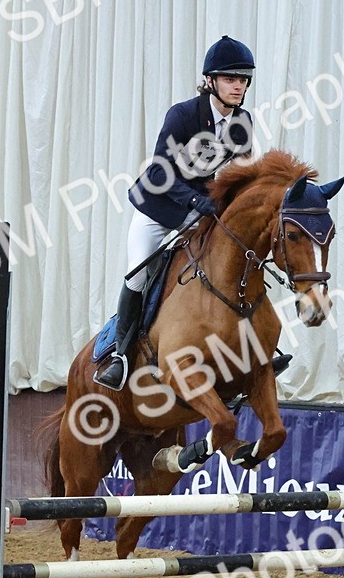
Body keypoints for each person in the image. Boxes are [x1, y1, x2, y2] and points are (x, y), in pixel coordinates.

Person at [93, 35, 260, 391]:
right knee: (138, 275)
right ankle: (121, 355)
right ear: (210, 81)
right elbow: (157, 172)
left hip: (198, 212)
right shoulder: (183, 115)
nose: (238, 85)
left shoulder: (242, 122)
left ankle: (244, 350)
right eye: (230, 78)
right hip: (158, 210)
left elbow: (241, 175)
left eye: (243, 79)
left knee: (232, 262)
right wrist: (195, 200)